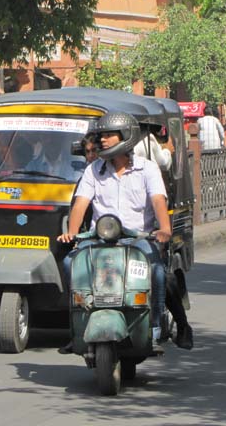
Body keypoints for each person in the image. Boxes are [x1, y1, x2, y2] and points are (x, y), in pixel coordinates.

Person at [58, 112, 193, 351]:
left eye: (109, 135)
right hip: (99, 239)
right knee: (71, 263)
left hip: (138, 240)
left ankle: (156, 328)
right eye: (101, 136)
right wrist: (72, 233)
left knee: (159, 274)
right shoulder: (93, 171)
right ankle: (77, 327)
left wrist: (164, 229)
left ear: (126, 137)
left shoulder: (147, 169)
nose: (103, 141)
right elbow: (80, 204)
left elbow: (159, 200)